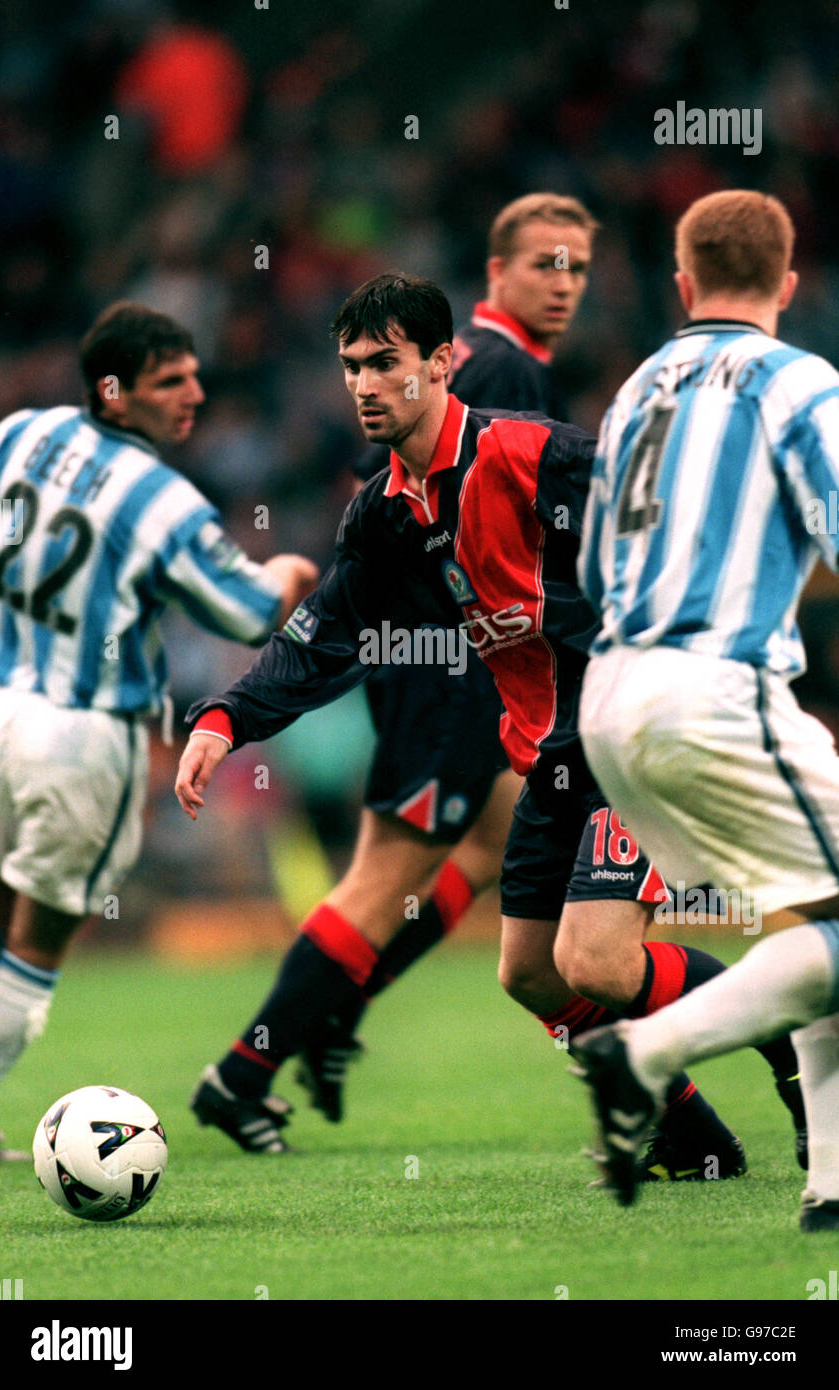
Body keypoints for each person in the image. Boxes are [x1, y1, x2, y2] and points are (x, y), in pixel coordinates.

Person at [176, 273, 802, 1173]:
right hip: (545, 752)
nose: (361, 384)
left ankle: (783, 1029)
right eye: (349, 366)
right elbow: (321, 637)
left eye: (383, 363)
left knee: (594, 963)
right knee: (529, 974)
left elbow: (657, 510)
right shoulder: (385, 512)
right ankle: (691, 1136)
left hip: (629, 736)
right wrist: (225, 720)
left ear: (439, 365)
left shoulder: (531, 454)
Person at [0, 301, 317, 1162]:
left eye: (194, 374)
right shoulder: (160, 498)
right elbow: (245, 613)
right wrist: (291, 568)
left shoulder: (16, 435)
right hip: (83, 735)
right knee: (40, 941)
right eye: (171, 381)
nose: (195, 393)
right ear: (114, 392)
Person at [569, 189, 839, 1230]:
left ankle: (833, 1185)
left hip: (613, 699)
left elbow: (597, 565)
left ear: (682, 285)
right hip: (714, 688)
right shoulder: (797, 379)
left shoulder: (637, 388)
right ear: (787, 280)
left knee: (814, 918)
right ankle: (639, 1054)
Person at [296, 193, 596, 1124]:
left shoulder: (525, 390)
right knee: (406, 871)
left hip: (542, 696)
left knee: (490, 864)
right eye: (544, 263)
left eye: (577, 267)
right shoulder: (494, 365)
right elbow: (395, 504)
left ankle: (316, 1027)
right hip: (463, 672)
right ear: (495, 274)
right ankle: (254, 1063)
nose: (563, 284)